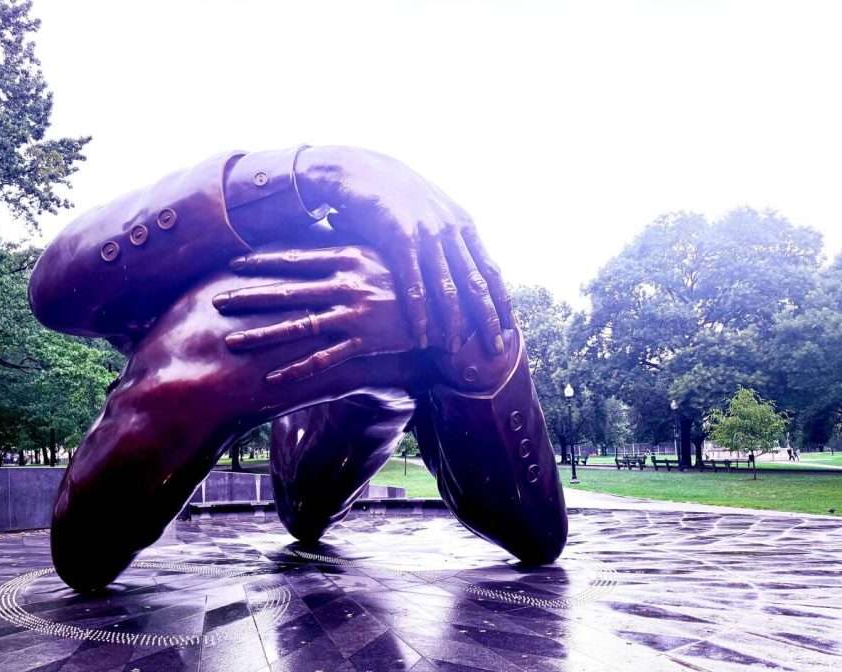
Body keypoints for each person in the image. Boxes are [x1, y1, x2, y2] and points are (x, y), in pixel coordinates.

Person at [32, 147, 567, 593]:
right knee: (304, 504)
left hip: (355, 397)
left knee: (307, 505)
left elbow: (538, 536)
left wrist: (458, 337)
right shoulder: (221, 247)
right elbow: (54, 289)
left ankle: (391, 368)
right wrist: (316, 170)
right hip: (296, 382)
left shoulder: (432, 301)